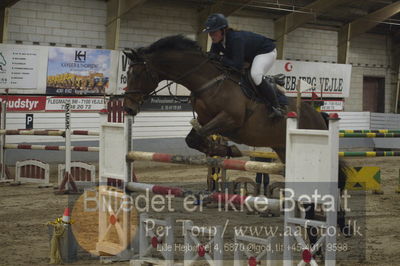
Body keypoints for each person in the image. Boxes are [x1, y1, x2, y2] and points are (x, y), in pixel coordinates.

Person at [203, 13, 283, 118]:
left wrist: (220, 58)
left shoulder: (236, 39)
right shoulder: (217, 41)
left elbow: (237, 65)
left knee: (255, 75)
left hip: (266, 51)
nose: (211, 35)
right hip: (250, 56)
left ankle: (276, 106)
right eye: (210, 33)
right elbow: (213, 58)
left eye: (213, 32)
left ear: (223, 30)